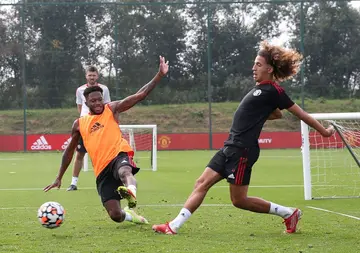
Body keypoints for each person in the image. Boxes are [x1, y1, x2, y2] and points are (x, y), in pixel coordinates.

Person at [152, 42, 335, 235]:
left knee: (239, 200)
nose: (253, 68)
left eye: (258, 64)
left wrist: (324, 132)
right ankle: (173, 226)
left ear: (269, 68)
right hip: (229, 147)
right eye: (254, 64)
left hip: (243, 150)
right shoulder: (262, 90)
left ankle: (289, 213)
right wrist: (262, 114)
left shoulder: (275, 90)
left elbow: (301, 114)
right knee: (201, 183)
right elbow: (275, 114)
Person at [44, 56, 169, 224]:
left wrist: (159, 75)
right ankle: (132, 216)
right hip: (101, 169)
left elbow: (141, 95)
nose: (97, 103)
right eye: (93, 101)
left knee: (125, 172)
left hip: (118, 155)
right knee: (115, 215)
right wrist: (59, 177)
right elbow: (69, 152)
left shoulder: (111, 109)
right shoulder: (79, 124)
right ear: (86, 102)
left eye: (99, 99)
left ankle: (131, 191)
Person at [67, 66, 111, 191]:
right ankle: (73, 183)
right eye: (89, 75)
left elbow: (106, 106)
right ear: (86, 76)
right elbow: (80, 107)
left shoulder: (104, 89)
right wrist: (84, 119)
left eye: (94, 75)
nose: (92, 77)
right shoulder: (80, 90)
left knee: (102, 154)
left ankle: (105, 181)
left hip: (99, 126)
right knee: (79, 154)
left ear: (97, 76)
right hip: (85, 126)